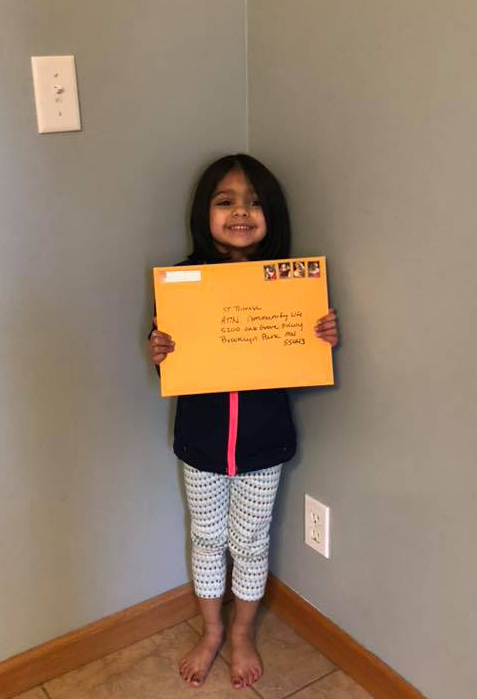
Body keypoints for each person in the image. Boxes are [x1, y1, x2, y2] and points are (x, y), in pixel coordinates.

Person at [148, 154, 338, 690]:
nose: (241, 211)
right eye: (225, 200)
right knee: (207, 539)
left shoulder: (291, 286)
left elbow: (298, 362)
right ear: (203, 213)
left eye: (255, 202)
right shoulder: (183, 284)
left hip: (263, 445)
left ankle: (242, 633)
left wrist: (317, 337)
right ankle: (212, 631)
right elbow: (168, 348)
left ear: (272, 215)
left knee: (251, 543)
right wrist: (158, 346)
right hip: (201, 444)